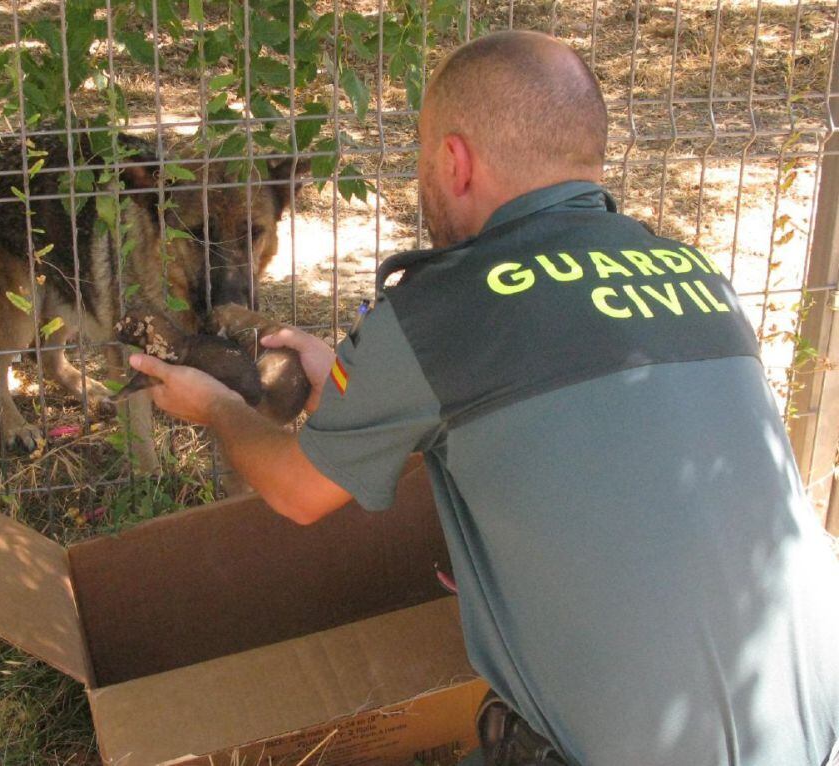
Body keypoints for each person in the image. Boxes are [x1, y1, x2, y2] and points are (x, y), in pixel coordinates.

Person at [129, 30, 839, 766]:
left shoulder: (439, 310)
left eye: (421, 161)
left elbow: (295, 492)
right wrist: (351, 379)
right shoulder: (700, 279)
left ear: (455, 161)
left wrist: (214, 405)